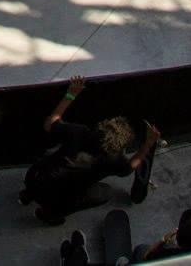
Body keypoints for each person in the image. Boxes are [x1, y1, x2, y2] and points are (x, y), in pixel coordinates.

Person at [20, 77, 160, 225]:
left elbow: (50, 123)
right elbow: (131, 167)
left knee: (46, 167)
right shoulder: (113, 161)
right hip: (58, 199)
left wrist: (70, 95)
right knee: (106, 193)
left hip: (35, 177)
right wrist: (149, 143)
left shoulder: (79, 132)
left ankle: (27, 195)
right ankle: (48, 215)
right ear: (120, 146)